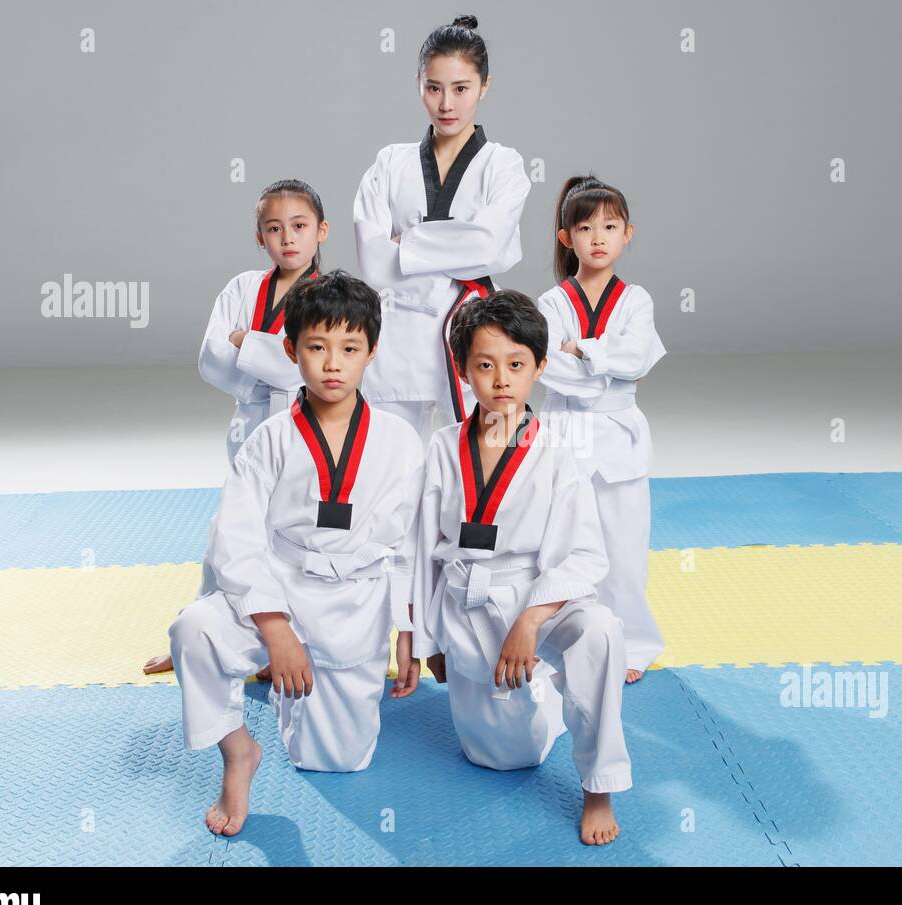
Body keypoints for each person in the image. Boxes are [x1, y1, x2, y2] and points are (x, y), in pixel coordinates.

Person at [168, 270, 425, 837]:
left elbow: (408, 546)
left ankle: (306, 694)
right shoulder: (269, 440)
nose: (333, 364)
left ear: (372, 352)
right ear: (290, 350)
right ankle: (238, 752)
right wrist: (275, 628)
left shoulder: (400, 440)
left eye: (350, 349)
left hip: (354, 602)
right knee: (193, 630)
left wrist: (410, 633)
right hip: (279, 589)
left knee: (334, 758)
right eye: (316, 347)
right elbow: (235, 539)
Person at [414, 289, 632, 845]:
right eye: (485, 366)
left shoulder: (558, 452)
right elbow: (421, 549)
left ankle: (598, 786)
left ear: (540, 367)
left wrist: (531, 620)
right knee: (505, 757)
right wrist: (424, 639)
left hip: (539, 594)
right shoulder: (441, 448)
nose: (501, 380)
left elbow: (584, 554)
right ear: (464, 371)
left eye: (516, 365)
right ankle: (548, 704)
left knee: (601, 631)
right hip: (469, 600)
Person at [143, 179, 329, 676]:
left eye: (299, 226)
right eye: (274, 228)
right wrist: (274, 357)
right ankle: (195, 635)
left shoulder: (332, 297)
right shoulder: (243, 288)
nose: (287, 238)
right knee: (228, 531)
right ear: (259, 237)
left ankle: (283, 645)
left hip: (305, 432)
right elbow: (211, 358)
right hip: (250, 426)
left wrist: (250, 343)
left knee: (292, 541)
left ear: (321, 232)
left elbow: (311, 366)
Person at [353, 13, 530, 444]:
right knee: (392, 461)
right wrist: (458, 241)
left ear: (484, 86)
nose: (446, 104)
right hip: (398, 334)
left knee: (478, 459)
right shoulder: (390, 163)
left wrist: (408, 242)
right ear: (418, 84)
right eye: (433, 88)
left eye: (461, 89)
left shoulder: (503, 164)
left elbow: (490, 244)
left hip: (472, 327)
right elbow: (374, 263)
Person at [537, 175, 667, 683]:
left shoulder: (637, 300)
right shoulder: (551, 304)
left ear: (627, 233)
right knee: (559, 543)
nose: (598, 237)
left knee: (623, 546)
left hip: (618, 430)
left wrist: (583, 351)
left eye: (610, 226)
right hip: (566, 426)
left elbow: (638, 359)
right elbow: (545, 366)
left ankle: (630, 644)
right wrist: (600, 366)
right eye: (585, 227)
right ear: (566, 237)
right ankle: (556, 645)